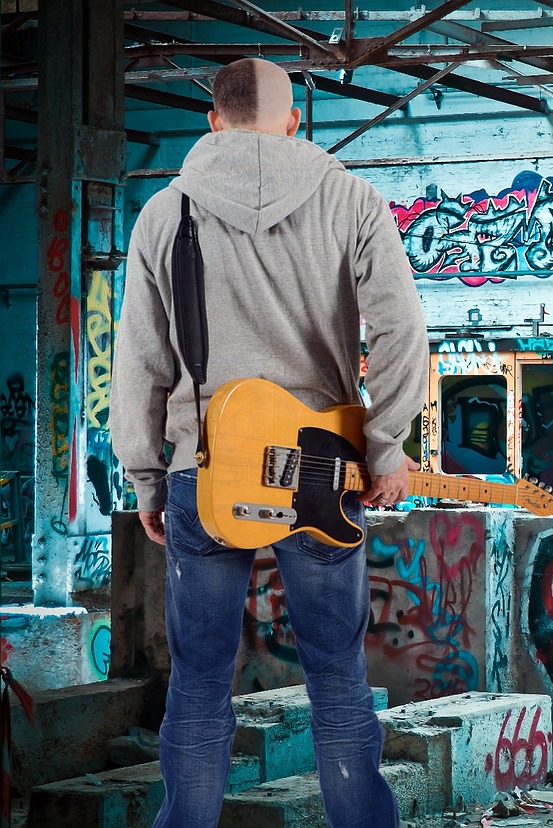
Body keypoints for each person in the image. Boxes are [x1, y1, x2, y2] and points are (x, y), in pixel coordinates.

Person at [110, 58, 429, 828]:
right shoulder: (351, 200)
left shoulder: (164, 214)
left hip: (205, 474)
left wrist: (148, 479)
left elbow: (140, 361)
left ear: (213, 123)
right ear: (293, 123)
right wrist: (385, 444)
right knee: (337, 679)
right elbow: (401, 329)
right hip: (325, 471)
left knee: (197, 682)